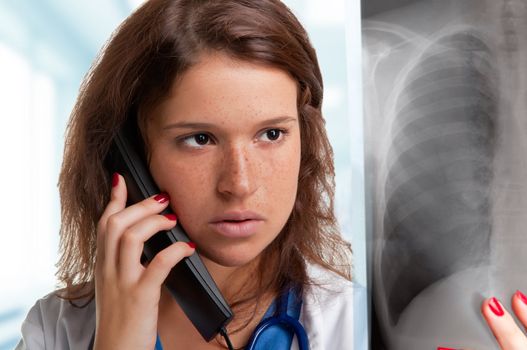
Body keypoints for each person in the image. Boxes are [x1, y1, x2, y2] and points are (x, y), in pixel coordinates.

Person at [15, 0, 360, 349]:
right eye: (200, 139)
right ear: (129, 157)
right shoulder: (53, 331)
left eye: (271, 134)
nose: (239, 184)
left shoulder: (358, 323)